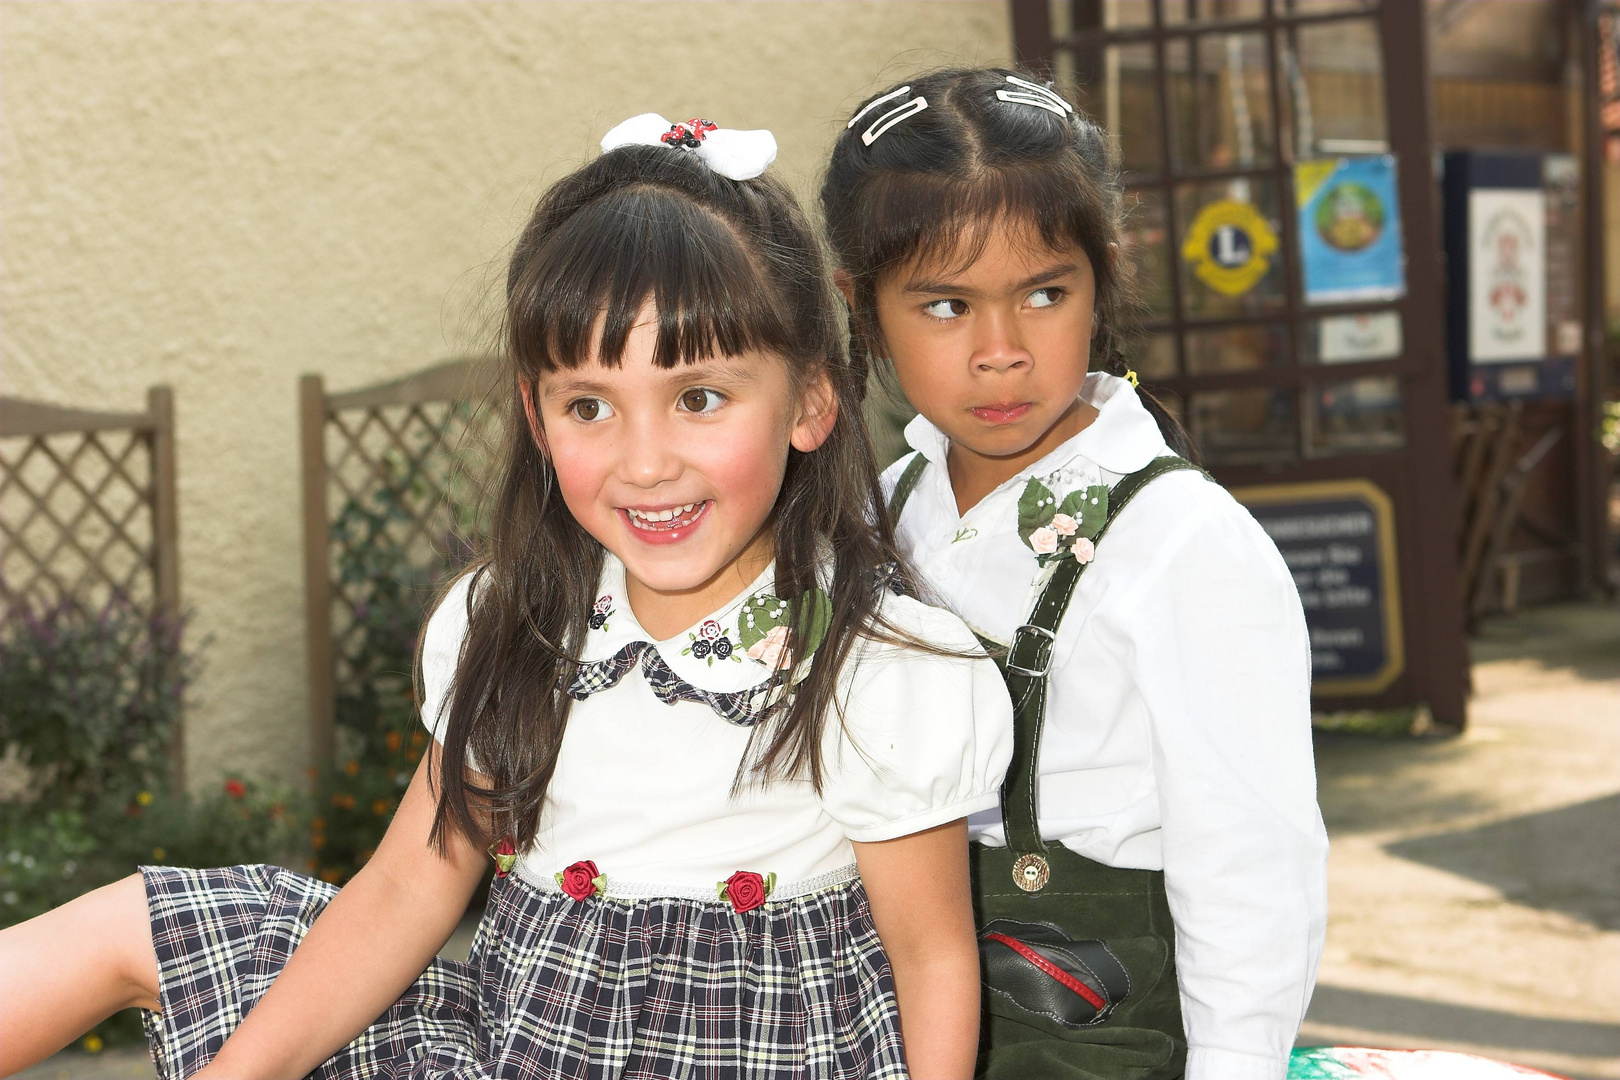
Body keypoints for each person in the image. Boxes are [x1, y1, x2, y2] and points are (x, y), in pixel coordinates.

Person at [0, 114, 1013, 1080]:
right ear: (535, 414)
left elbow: (931, 963)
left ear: (808, 401)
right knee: (149, 924)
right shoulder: (518, 625)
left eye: (698, 398)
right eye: (589, 406)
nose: (645, 462)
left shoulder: (874, 668)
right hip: (511, 1052)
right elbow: (407, 886)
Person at [821, 69, 1329, 1080]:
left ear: (1104, 278)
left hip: (1101, 1033)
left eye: (1044, 294)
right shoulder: (880, 510)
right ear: (862, 307)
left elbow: (1251, 868)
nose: (1000, 353)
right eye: (945, 305)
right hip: (894, 1021)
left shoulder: (1185, 544)